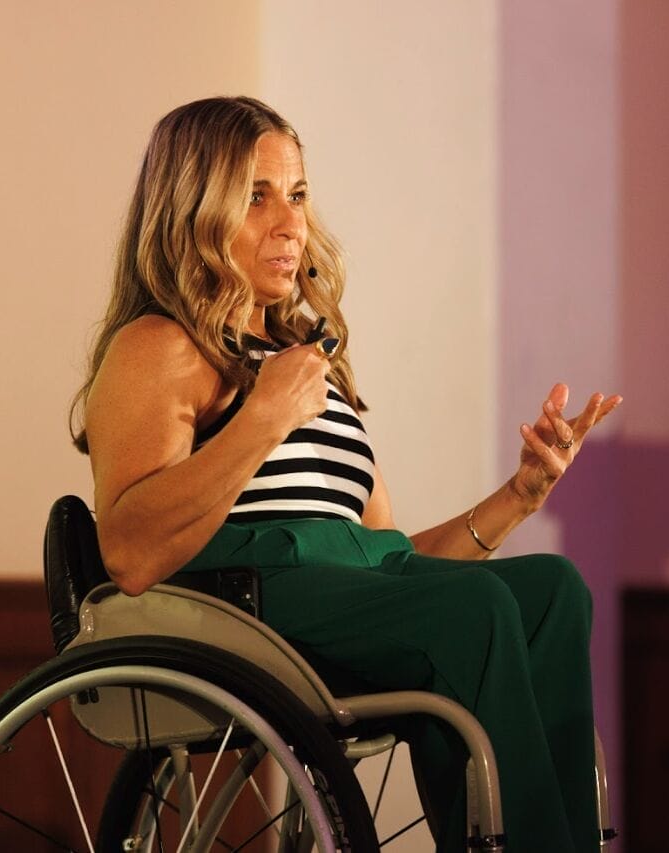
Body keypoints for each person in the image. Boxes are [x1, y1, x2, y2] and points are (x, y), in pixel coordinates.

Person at [70, 95, 622, 852]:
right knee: (471, 611)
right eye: (255, 196)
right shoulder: (160, 344)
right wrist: (261, 418)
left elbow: (391, 568)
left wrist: (519, 496)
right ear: (193, 210)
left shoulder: (305, 362)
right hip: (242, 601)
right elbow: (128, 549)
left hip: (336, 598)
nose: (290, 222)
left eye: (295, 194)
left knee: (553, 591)